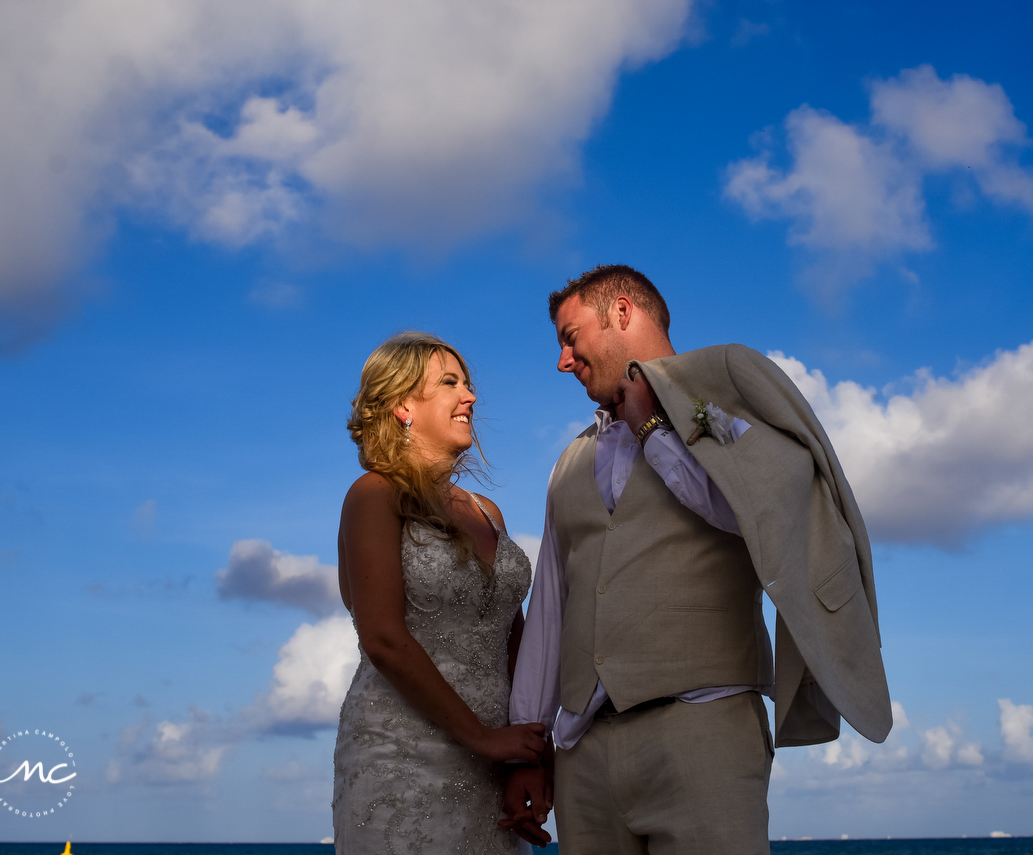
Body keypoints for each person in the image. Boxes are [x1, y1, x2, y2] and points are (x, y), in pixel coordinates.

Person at [501, 265, 892, 854]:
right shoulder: (569, 462)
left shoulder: (729, 392)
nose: (563, 358)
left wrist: (655, 429)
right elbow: (551, 610)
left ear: (623, 312)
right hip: (583, 753)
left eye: (569, 335)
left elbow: (762, 517)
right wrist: (529, 748)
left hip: (703, 731)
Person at [332, 331, 544, 855]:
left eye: (468, 384)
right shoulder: (374, 495)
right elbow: (381, 637)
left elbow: (515, 642)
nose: (470, 396)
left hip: (494, 759)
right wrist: (479, 736)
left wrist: (528, 756)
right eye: (450, 383)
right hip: (403, 753)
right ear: (403, 404)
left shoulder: (487, 513)